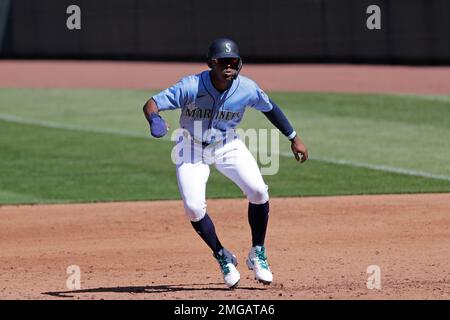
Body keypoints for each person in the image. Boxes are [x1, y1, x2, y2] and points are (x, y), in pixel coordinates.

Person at [143, 38, 308, 288]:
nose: (228, 66)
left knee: (259, 191)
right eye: (222, 61)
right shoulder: (191, 85)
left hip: (227, 145)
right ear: (212, 63)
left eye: (233, 61)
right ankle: (222, 255)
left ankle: (257, 253)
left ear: (239, 63)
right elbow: (152, 103)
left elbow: (270, 108)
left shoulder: (247, 88)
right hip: (191, 147)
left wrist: (293, 138)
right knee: (193, 207)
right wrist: (153, 118)